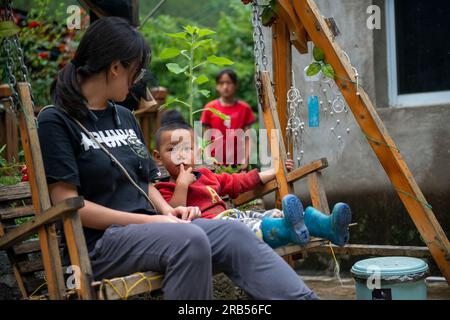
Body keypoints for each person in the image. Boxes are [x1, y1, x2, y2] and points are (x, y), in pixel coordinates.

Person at [37, 16, 318, 300]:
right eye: (135, 71)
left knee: (234, 233)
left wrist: (167, 212)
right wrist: (153, 223)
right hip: (100, 244)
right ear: (115, 68)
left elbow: (143, 182)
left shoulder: (122, 116)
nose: (137, 81)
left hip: (152, 231)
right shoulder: (56, 120)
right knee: (190, 240)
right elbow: (69, 205)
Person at [154, 111, 352, 249]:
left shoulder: (207, 176)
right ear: (157, 157)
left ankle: (328, 227)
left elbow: (239, 182)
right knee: (253, 226)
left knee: (273, 214)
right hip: (215, 230)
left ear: (196, 152)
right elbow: (173, 216)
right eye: (172, 149)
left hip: (232, 216)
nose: (181, 155)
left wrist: (275, 171)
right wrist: (181, 184)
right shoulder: (163, 188)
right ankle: (288, 231)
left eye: (187, 148)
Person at [200, 69, 255, 170]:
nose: (225, 87)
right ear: (217, 86)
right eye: (221, 83)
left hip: (238, 163)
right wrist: (208, 159)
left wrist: (246, 161)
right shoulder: (209, 108)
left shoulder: (244, 108)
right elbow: (206, 138)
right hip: (215, 163)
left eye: (229, 83)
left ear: (235, 85)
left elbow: (249, 138)